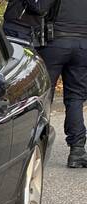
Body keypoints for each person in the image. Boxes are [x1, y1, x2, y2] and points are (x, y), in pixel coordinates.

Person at [33, 0, 87, 168]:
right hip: (83, 45)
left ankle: (34, 147)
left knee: (43, 96)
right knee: (75, 98)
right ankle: (77, 150)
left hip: (54, 42)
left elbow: (39, 8)